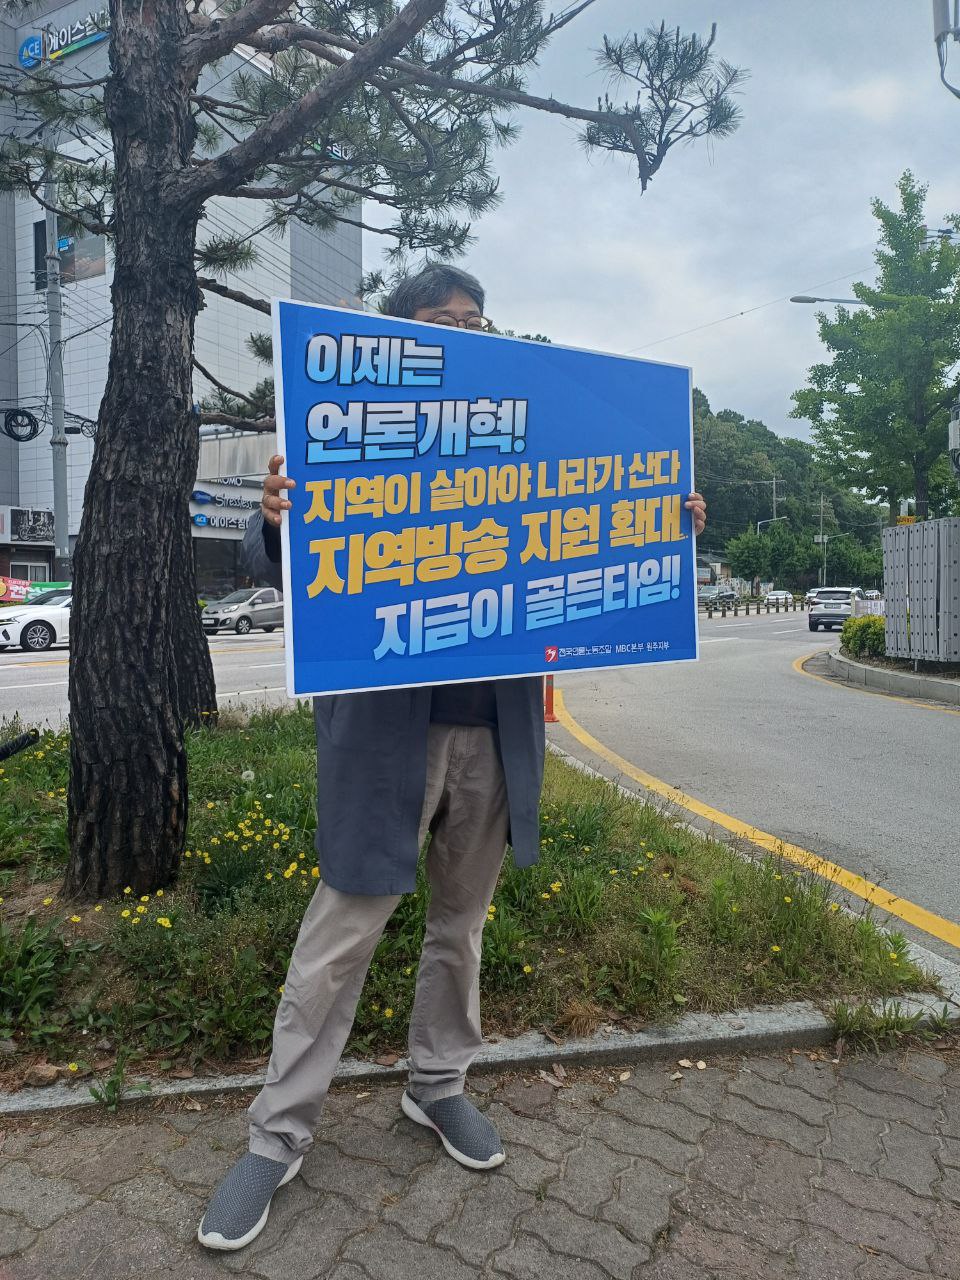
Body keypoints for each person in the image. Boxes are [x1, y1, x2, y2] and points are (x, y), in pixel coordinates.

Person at [198, 265, 708, 1251]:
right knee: (339, 937)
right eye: (443, 320)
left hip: (496, 735)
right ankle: (276, 1135)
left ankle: (437, 1086)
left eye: (477, 320)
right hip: (384, 735)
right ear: (404, 337)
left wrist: (663, 523)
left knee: (460, 928)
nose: (466, 331)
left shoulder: (526, 440)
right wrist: (274, 515)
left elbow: (591, 541)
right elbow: (284, 568)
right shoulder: (356, 429)